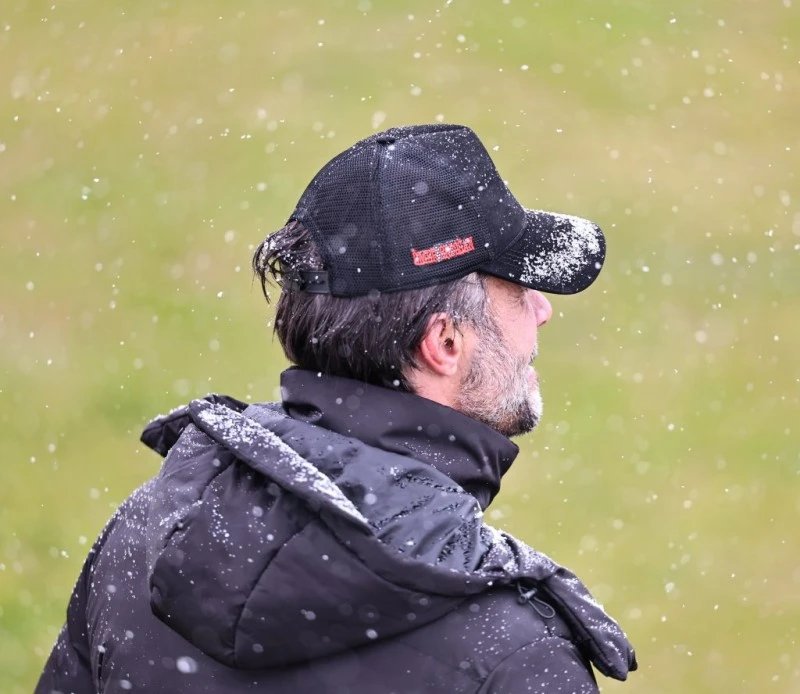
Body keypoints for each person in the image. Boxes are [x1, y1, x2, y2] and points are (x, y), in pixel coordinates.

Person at [36, 124, 637, 693]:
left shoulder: (144, 535)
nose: (542, 310)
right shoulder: (517, 654)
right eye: (517, 290)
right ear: (445, 344)